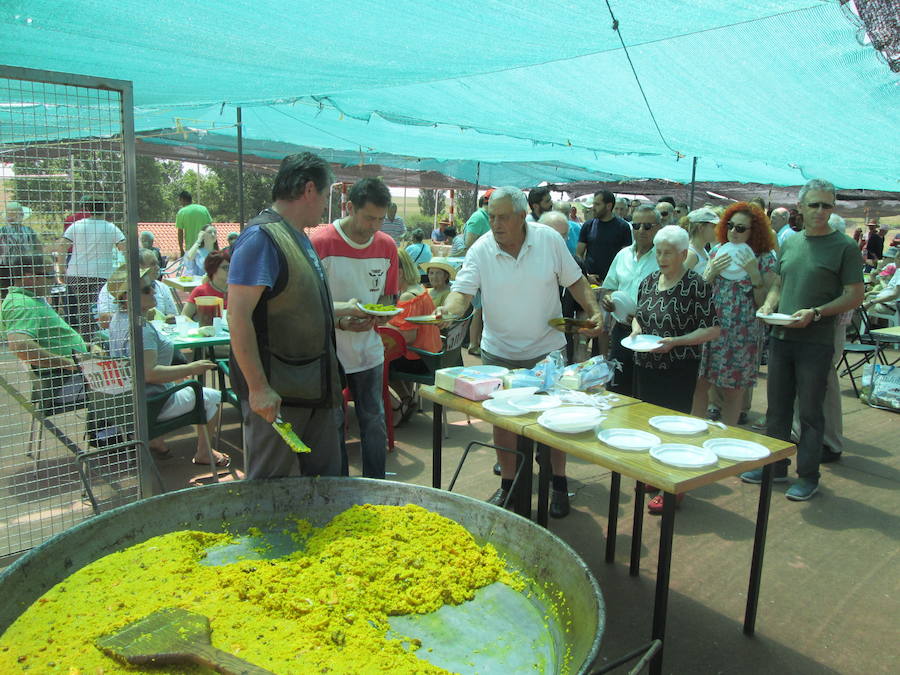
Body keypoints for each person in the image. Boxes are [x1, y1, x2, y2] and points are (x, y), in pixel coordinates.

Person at [438, 186, 604, 517]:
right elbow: (462, 293)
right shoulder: (482, 249)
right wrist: (448, 312)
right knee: (504, 424)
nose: (495, 224)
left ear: (520, 216)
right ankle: (509, 486)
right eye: (491, 217)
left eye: (502, 217)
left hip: (547, 349)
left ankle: (557, 483)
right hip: (499, 354)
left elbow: (575, 280)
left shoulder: (549, 240)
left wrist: (593, 309)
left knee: (553, 421)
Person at [228, 152, 361, 479]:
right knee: (271, 491)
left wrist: (342, 316)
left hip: (313, 389)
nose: (325, 205)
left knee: (325, 486)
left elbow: (296, 305)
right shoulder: (262, 238)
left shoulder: (298, 236)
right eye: (326, 195)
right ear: (309, 189)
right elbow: (238, 315)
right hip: (279, 397)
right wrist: (258, 387)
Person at [741, 178, 864, 501]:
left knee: (810, 412)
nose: (821, 211)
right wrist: (769, 304)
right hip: (781, 335)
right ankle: (775, 467)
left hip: (816, 340)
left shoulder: (845, 247)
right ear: (801, 208)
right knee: (777, 410)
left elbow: (854, 294)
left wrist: (818, 312)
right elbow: (780, 281)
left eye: (827, 205)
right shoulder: (792, 242)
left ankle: (808, 475)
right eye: (815, 205)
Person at [311, 177, 399, 480]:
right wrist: (339, 321)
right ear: (350, 207)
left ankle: (376, 482)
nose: (375, 226)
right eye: (369, 217)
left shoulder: (387, 246)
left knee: (372, 419)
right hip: (329, 350)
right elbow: (309, 302)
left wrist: (382, 316)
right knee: (333, 420)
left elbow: (388, 297)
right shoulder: (321, 243)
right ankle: (340, 484)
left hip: (368, 349)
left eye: (380, 219)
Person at [631, 225, 720, 514]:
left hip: (678, 366)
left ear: (683, 254)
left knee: (673, 428)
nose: (661, 258)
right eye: (658, 252)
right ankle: (654, 474)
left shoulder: (696, 285)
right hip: (646, 364)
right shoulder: (648, 281)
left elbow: (714, 329)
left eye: (668, 253)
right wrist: (635, 331)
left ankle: (674, 487)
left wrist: (678, 342)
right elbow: (638, 317)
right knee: (649, 423)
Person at [106, 266, 229, 466]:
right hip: (154, 403)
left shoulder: (119, 320)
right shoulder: (141, 329)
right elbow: (150, 374)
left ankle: (156, 441)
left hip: (128, 400)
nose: (154, 291)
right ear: (128, 298)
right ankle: (205, 452)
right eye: (147, 289)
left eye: (152, 286)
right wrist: (192, 367)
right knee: (213, 396)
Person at [691, 203, 776, 426]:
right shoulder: (718, 251)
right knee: (701, 381)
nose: (733, 232)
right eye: (730, 226)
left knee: (734, 389)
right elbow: (701, 292)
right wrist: (710, 273)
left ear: (753, 232)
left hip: (742, 332)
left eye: (741, 228)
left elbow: (764, 304)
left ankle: (728, 436)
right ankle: (693, 429)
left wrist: (754, 275)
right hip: (711, 326)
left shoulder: (764, 258)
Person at [1, 255, 88, 394]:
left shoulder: (31, 299)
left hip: (72, 373)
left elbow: (52, 338)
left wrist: (87, 347)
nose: (54, 280)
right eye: (49, 275)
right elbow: (20, 346)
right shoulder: (22, 304)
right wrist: (68, 364)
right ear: (29, 277)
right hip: (65, 380)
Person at [598, 205, 662, 396]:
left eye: (647, 226)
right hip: (622, 331)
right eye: (636, 225)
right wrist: (609, 299)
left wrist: (644, 315)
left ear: (659, 227)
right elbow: (610, 286)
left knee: (645, 391)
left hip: (650, 333)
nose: (641, 231)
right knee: (617, 387)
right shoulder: (623, 254)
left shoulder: (663, 256)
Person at [58, 196, 125, 339]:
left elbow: (62, 246)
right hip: (102, 273)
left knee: (84, 308)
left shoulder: (76, 225)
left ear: (88, 208)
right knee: (100, 306)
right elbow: (123, 247)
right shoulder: (111, 227)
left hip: (77, 273)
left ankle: (87, 339)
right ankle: (102, 337)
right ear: (106, 209)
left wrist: (62, 268)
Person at [386, 249, 442, 421]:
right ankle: (407, 398)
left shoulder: (407, 297)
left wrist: (382, 323)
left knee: (375, 363)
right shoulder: (420, 290)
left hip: (420, 359)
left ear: (399, 272)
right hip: (431, 355)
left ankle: (402, 402)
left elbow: (407, 337)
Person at [96, 249, 178, 330]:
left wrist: (169, 319)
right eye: (153, 264)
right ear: (138, 267)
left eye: (157, 263)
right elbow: (104, 321)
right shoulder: (117, 287)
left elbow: (174, 315)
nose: (158, 268)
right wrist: (141, 318)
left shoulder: (162, 287)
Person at [576, 191, 632, 286]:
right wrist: (586, 275)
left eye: (597, 204)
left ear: (608, 206)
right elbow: (579, 254)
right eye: (593, 204)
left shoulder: (623, 227)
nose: (593, 207)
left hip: (613, 282)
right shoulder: (588, 225)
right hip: (591, 281)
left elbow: (627, 257)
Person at [0, 201, 41, 294]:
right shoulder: (29, 231)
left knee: (8, 294)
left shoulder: (3, 231)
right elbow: (38, 249)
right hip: (19, 267)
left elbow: (38, 249)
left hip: (14, 267)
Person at [181, 250, 230, 319]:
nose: (231, 270)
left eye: (233, 266)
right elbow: (184, 316)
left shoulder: (238, 291)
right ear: (213, 269)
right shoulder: (200, 291)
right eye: (226, 268)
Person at [175, 190, 212, 257]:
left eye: (180, 200)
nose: (180, 203)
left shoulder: (181, 212)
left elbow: (180, 232)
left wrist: (181, 249)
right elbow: (210, 228)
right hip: (205, 248)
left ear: (183, 199)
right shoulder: (204, 209)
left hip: (190, 249)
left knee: (191, 268)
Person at [684, 208, 719, 274]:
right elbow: (680, 282)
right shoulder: (690, 255)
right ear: (701, 228)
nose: (717, 230)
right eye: (714, 227)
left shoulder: (702, 250)